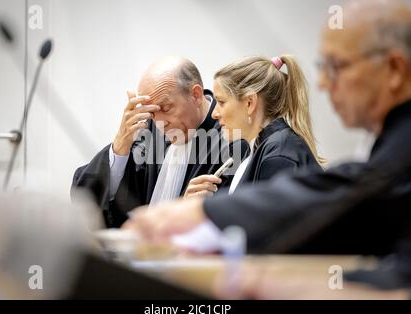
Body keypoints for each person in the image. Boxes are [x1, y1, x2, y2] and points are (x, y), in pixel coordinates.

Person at [124, 0, 411, 256]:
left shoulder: (279, 152)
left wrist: (201, 213)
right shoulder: (260, 148)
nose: (323, 83)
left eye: (336, 66)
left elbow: (285, 231)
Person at [71, 56, 245, 227]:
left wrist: (188, 210)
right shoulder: (150, 129)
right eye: (152, 113)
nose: (160, 123)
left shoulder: (231, 134)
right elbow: (88, 198)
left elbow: (235, 213)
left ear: (196, 95)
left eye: (166, 108)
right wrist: (120, 146)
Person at [183, 55, 322, 199]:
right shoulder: (259, 150)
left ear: (250, 103)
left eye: (222, 102)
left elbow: (263, 220)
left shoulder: (278, 156)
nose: (215, 114)